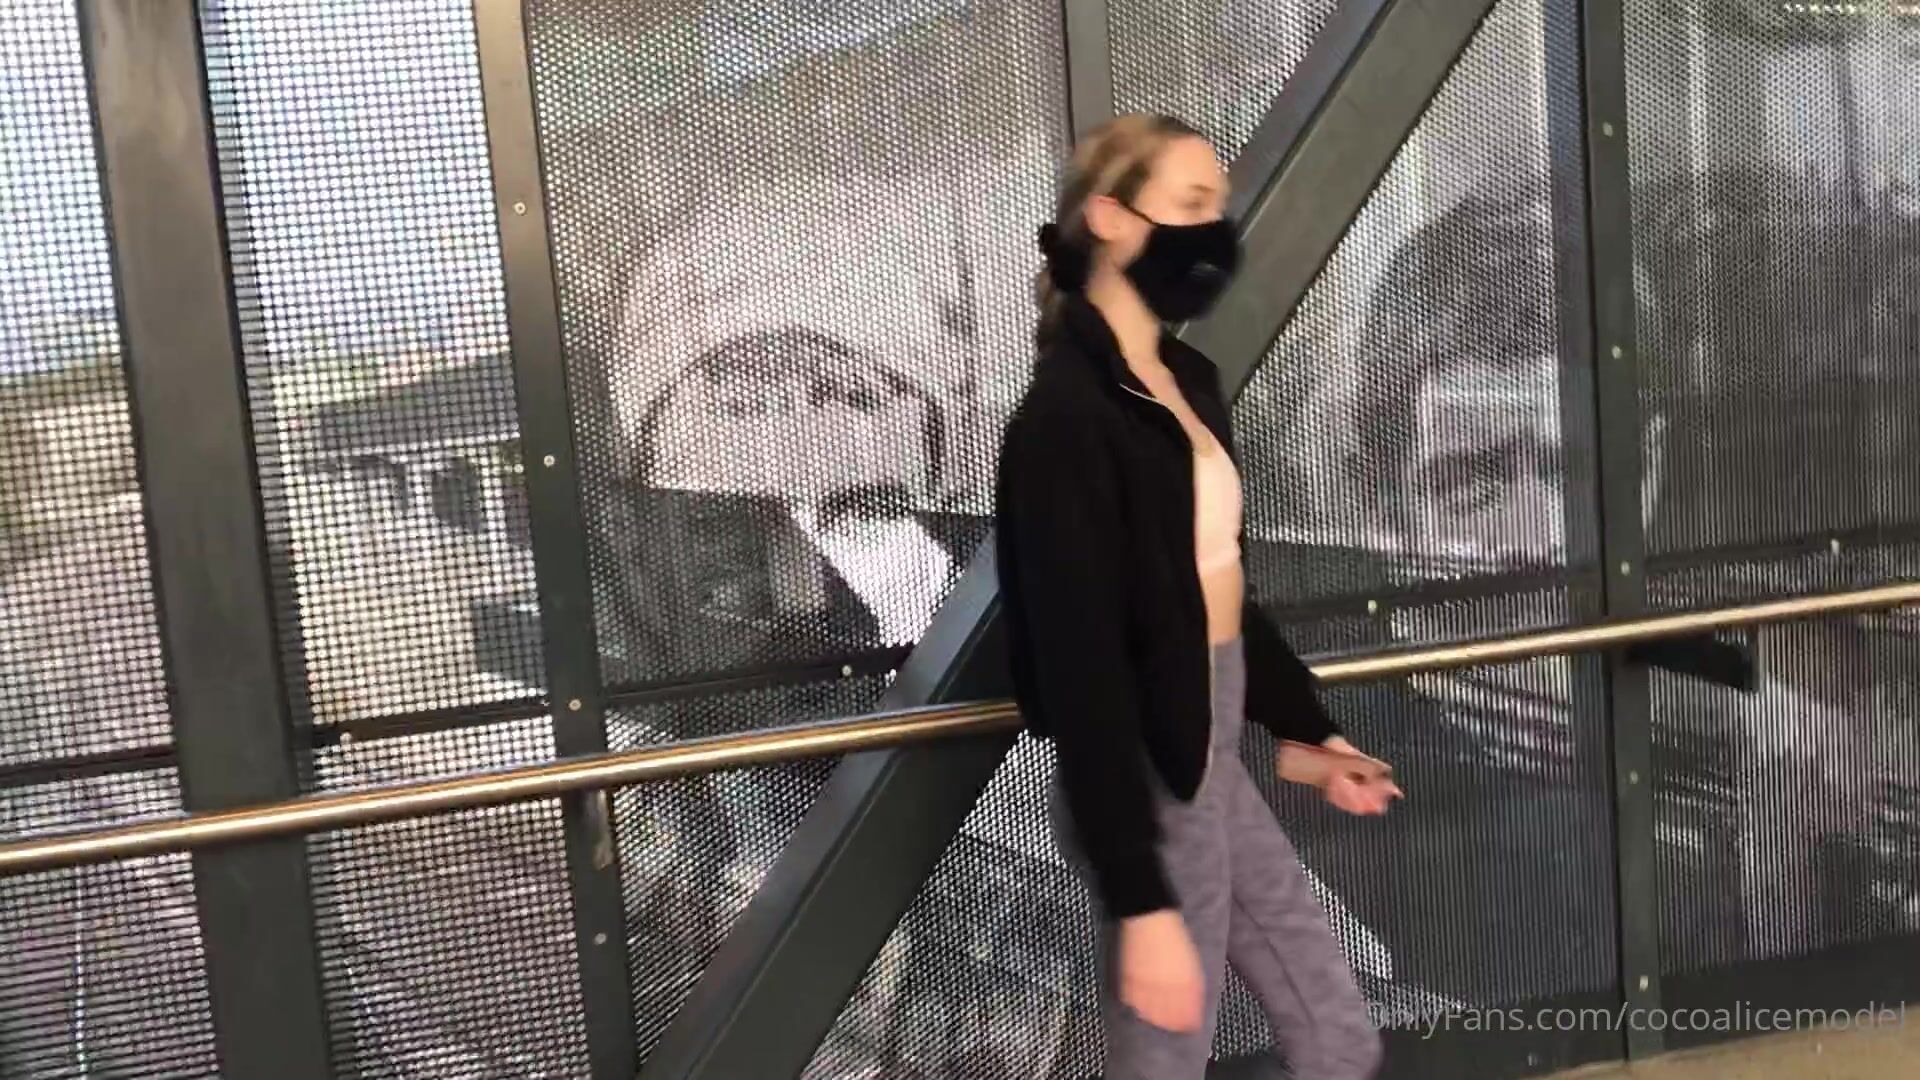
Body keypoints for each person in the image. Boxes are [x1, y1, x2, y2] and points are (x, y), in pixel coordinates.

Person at [993, 113, 1398, 1079]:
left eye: (1219, 203)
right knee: (1165, 1055)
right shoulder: (1065, 421)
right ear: (1111, 219)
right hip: (1147, 767)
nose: (1216, 228)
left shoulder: (1184, 381)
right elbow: (1082, 668)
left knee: (1335, 1029)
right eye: (1191, 203)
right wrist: (1141, 900)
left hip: (1203, 741)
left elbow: (1215, 591)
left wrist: (1307, 731)